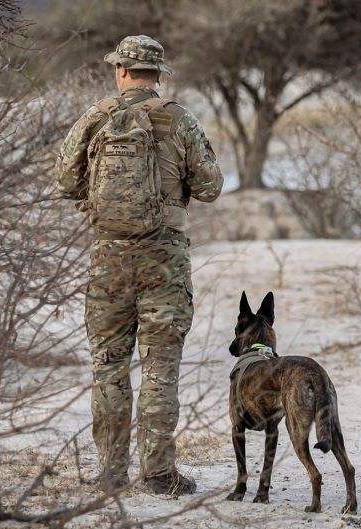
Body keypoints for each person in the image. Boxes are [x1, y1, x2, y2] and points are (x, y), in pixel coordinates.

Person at [54, 35, 222, 495]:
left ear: (121, 71)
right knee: (160, 369)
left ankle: (110, 474)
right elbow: (210, 187)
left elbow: (65, 181)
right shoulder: (179, 118)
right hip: (164, 262)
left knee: (108, 366)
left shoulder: (96, 116)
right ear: (158, 74)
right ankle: (159, 475)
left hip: (108, 260)